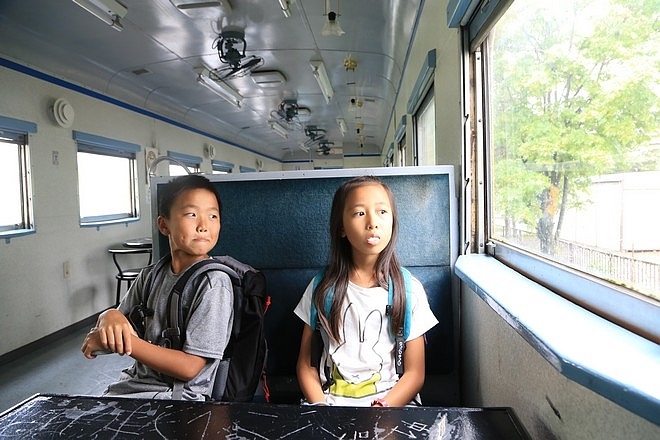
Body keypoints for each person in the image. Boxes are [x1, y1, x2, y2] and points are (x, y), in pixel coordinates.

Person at [81, 174, 233, 401]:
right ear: (164, 225)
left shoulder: (213, 284)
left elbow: (190, 368)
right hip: (133, 387)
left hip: (177, 400)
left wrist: (130, 343)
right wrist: (109, 316)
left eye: (213, 216)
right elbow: (115, 330)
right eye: (192, 214)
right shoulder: (151, 276)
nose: (203, 226)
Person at [294, 175, 438, 407]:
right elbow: (306, 365)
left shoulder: (409, 290)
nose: (372, 222)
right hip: (328, 404)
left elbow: (414, 373)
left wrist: (384, 407)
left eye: (382, 212)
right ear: (341, 228)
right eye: (359, 213)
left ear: (392, 221)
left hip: (391, 404)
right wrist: (320, 408)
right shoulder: (322, 288)